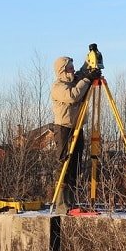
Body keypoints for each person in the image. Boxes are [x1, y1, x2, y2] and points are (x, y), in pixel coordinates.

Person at [51, 56, 101, 214]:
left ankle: (72, 204)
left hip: (77, 128)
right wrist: (87, 79)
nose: (73, 70)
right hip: (64, 129)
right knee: (65, 166)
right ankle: (61, 205)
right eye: (70, 68)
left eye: (73, 67)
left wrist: (90, 63)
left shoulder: (75, 80)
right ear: (63, 70)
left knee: (75, 167)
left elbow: (82, 73)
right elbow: (73, 95)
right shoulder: (58, 87)